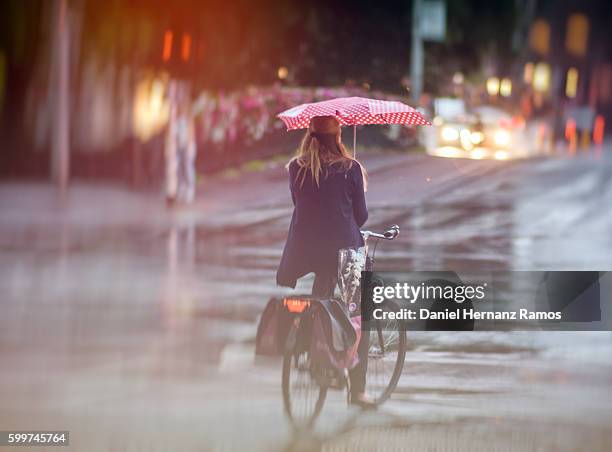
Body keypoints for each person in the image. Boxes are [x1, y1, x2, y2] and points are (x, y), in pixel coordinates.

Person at [276, 116, 374, 408]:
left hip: (306, 250)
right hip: (344, 251)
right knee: (360, 315)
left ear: (310, 133)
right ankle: (357, 391)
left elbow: (300, 204)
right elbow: (362, 217)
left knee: (322, 302)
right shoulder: (351, 168)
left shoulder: (296, 167)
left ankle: (317, 354)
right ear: (339, 134)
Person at [165, 98, 197, 206]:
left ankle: (190, 189)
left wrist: (188, 146)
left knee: (187, 167)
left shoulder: (187, 119)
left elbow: (191, 133)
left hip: (187, 146)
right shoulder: (176, 120)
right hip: (178, 147)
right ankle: (181, 188)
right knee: (178, 168)